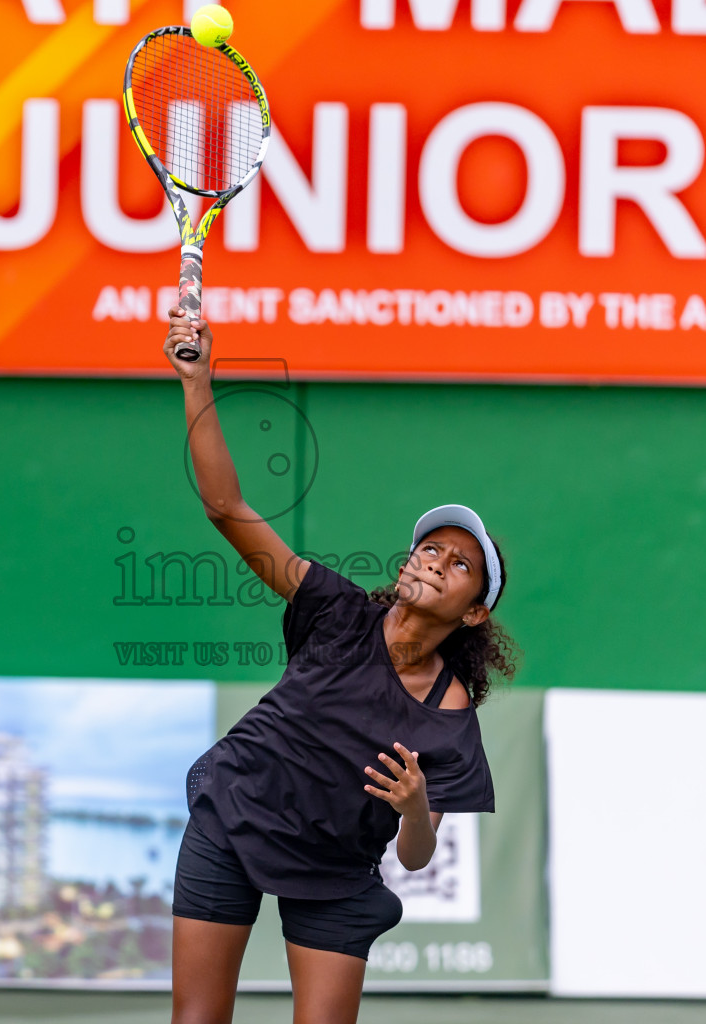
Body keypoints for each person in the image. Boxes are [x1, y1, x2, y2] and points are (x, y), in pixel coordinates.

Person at [161, 307, 520, 1024]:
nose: (435, 560)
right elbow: (226, 507)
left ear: (474, 611)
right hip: (237, 813)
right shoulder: (335, 609)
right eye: (429, 547)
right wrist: (197, 380)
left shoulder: (450, 722)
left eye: (459, 563)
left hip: (333, 869)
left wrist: (415, 807)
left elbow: (417, 856)